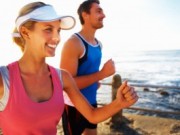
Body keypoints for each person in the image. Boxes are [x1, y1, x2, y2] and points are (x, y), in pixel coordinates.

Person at [0, 1, 138, 135]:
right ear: (25, 32)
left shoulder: (62, 77)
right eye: (48, 29)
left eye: (58, 30)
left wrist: (119, 103)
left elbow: (92, 115)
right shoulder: (3, 78)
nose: (57, 37)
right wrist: (102, 74)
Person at [60, 0, 127, 135]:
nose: (103, 15)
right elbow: (65, 84)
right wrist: (102, 74)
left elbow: (89, 72)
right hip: (74, 106)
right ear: (85, 15)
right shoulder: (73, 43)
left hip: (92, 103)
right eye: (98, 11)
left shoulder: (98, 44)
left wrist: (95, 82)